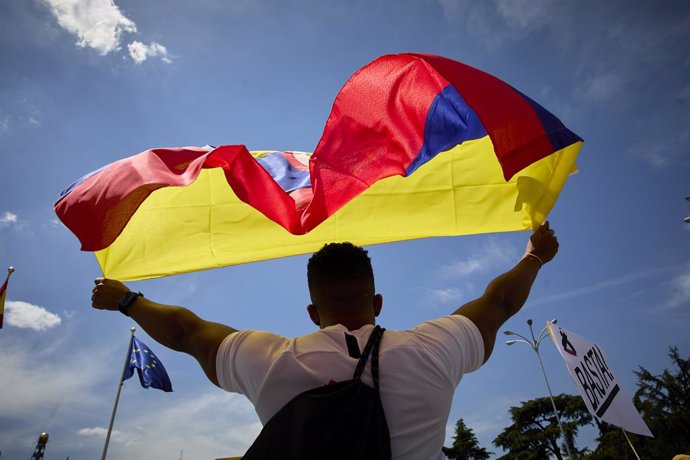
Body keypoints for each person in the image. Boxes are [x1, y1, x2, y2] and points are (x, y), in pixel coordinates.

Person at [91, 221, 559, 459]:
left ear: (313, 313)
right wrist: (535, 256)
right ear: (377, 302)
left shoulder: (272, 360)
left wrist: (127, 300)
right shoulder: (432, 350)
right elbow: (498, 303)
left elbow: (186, 332)